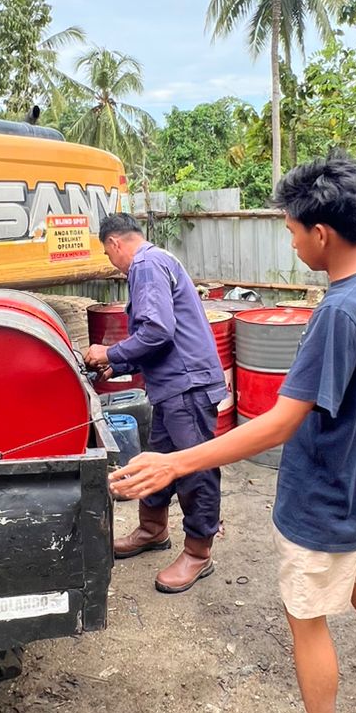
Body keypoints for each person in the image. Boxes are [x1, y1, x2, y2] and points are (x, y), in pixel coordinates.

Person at [109, 154, 356, 713]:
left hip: (330, 499)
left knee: (308, 618)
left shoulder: (338, 311)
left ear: (322, 235)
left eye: (291, 229)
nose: (290, 239)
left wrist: (174, 461)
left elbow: (279, 424)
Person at [85, 213, 228, 594]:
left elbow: (156, 331)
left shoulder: (145, 265)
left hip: (187, 385)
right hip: (171, 387)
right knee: (161, 458)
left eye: (107, 253)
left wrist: (108, 350)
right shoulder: (159, 260)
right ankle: (153, 530)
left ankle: (199, 553)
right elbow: (158, 339)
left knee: (194, 468)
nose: (111, 262)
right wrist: (112, 363)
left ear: (115, 243)